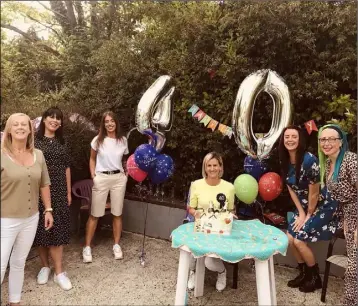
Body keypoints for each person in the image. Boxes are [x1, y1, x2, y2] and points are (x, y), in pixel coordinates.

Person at [1, 113, 54, 306]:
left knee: (18, 262)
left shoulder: (38, 155)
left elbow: (44, 184)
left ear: (30, 130)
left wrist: (48, 209)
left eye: (24, 124)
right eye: (15, 124)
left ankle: (14, 301)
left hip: (31, 218)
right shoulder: (1, 154)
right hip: (5, 220)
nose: (20, 127)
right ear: (9, 130)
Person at [278, 126, 338, 293]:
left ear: (300, 140)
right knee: (289, 238)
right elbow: (290, 188)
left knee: (299, 240)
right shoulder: (284, 160)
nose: (290, 139)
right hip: (304, 206)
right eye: (287, 137)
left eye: (293, 136)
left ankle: (314, 277)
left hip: (321, 205)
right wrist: (301, 213)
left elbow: (314, 193)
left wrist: (308, 215)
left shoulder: (309, 160)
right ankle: (304, 273)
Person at [33, 107, 73, 290]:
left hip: (58, 191)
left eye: (59, 118)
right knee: (40, 231)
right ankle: (44, 267)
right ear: (44, 119)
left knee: (57, 230)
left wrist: (68, 192)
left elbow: (66, 167)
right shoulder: (34, 141)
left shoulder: (63, 141)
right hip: (37, 191)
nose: (55, 120)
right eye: (52, 117)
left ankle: (59, 272)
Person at [318, 124, 357, 306]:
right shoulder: (328, 163)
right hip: (349, 215)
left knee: (354, 268)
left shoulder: (351, 161)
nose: (326, 143)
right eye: (323, 139)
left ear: (340, 142)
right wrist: (345, 220)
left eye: (331, 139)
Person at [83, 111, 129, 263]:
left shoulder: (123, 140)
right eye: (106, 121)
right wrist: (93, 176)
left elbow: (125, 159)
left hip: (118, 178)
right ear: (103, 124)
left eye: (112, 121)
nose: (109, 124)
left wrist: (126, 174)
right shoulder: (97, 140)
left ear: (116, 123)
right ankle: (87, 247)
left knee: (117, 213)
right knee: (95, 214)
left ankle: (116, 245)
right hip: (101, 178)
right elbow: (92, 158)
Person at [187, 152, 235, 292]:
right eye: (209, 165)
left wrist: (231, 216)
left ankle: (221, 272)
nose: (212, 169)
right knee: (192, 254)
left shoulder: (229, 187)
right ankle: (193, 273)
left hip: (220, 230)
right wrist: (195, 213)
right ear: (205, 167)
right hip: (201, 227)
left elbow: (231, 209)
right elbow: (191, 208)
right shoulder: (196, 185)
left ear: (220, 167)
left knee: (210, 261)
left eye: (215, 165)